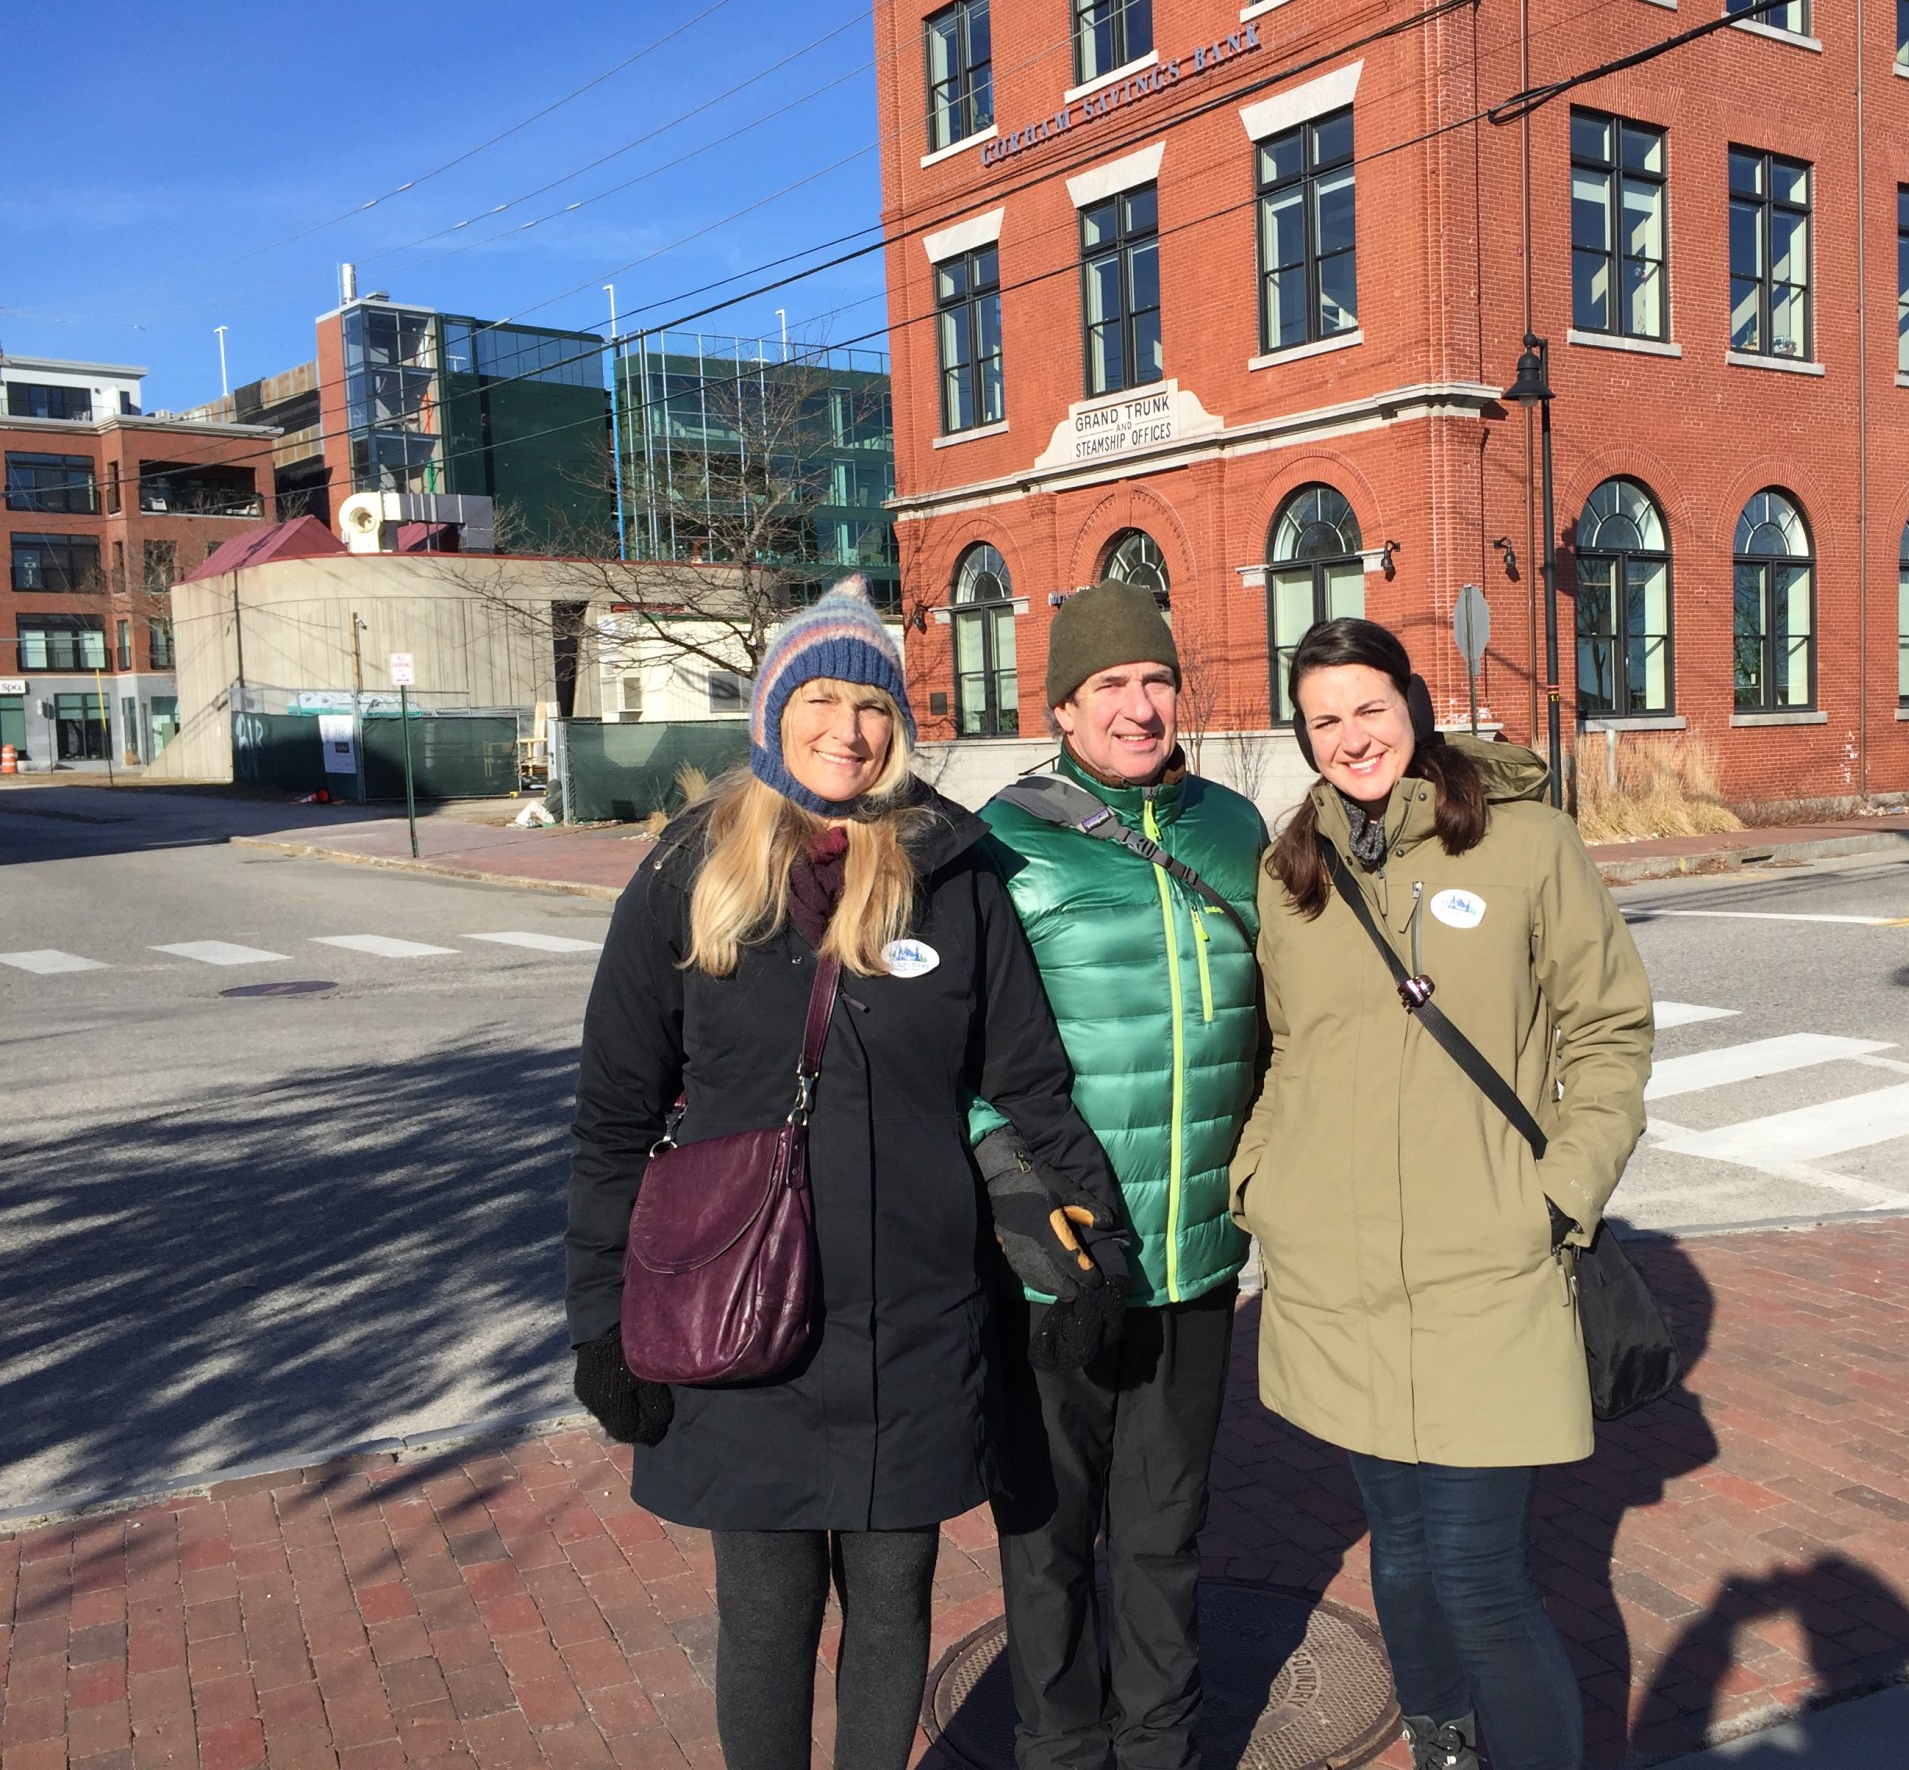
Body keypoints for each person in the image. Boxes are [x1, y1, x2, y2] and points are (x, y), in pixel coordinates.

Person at [564, 577, 1128, 1770]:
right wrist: (599, 1324)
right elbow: (614, 1120)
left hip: (915, 1321)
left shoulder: (956, 873)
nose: (849, 728)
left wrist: (1097, 1252)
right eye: (819, 697)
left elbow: (1031, 1086)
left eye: (871, 703)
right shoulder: (688, 874)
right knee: (766, 1619)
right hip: (736, 1311)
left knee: (891, 1612)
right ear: (773, 714)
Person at [1229, 616, 1654, 1770]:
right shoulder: (1290, 872)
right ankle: (1444, 1748)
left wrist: (1556, 1194)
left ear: (1413, 703)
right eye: (1324, 720)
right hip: (1337, 1271)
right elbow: (1283, 1050)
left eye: (1369, 706)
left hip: (1486, 1268)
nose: (1351, 736)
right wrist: (1261, 1183)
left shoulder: (1529, 844)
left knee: (1478, 1577)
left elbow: (1609, 1035)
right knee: (1402, 1556)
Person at [970, 579, 1268, 1770]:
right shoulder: (1001, 841)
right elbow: (968, 1050)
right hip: (1062, 1258)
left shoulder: (1233, 828)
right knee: (1047, 1534)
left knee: (1165, 1529)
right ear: (1063, 707)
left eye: (1155, 681)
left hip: (1194, 1253)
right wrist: (1021, 1204)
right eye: (1110, 686)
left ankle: (1159, 1746)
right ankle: (1057, 1746)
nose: (1139, 708)